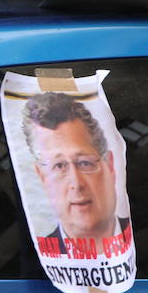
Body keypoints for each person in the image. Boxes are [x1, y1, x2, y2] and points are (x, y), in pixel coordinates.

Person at [20, 91, 121, 253]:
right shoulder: (33, 261)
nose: (76, 183)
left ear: (109, 166)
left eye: (84, 163)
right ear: (42, 177)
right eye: (59, 166)